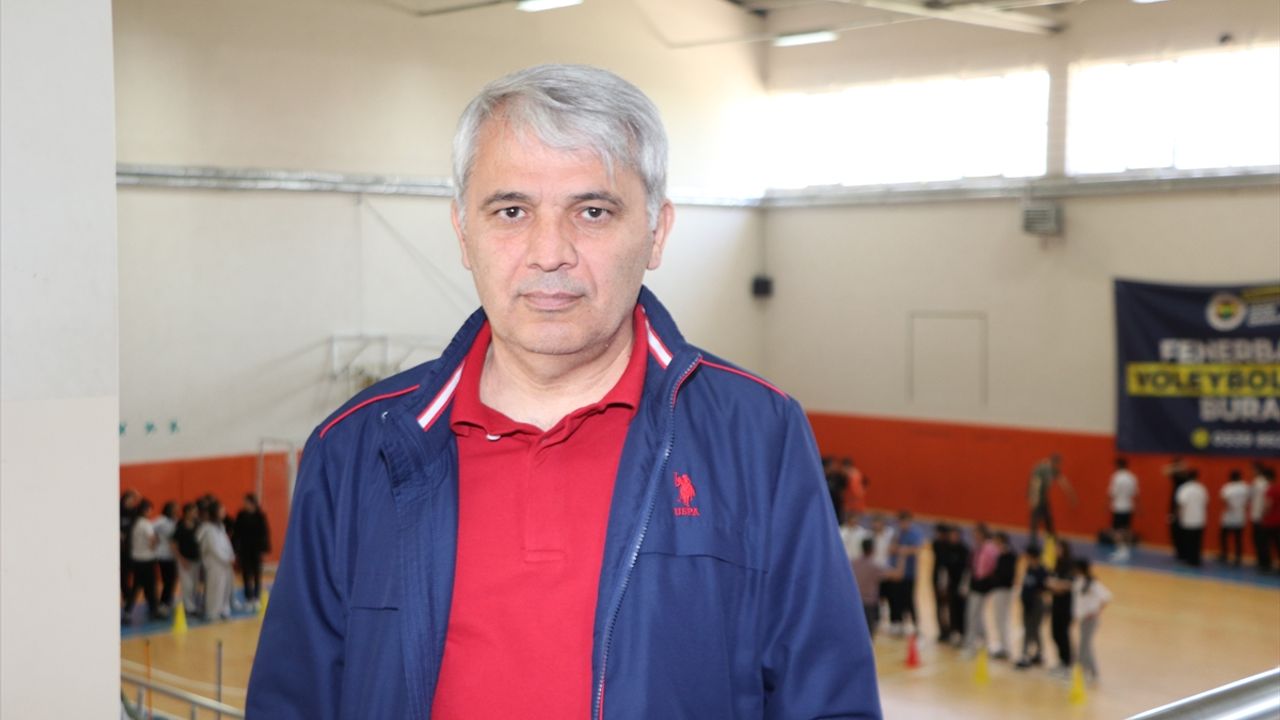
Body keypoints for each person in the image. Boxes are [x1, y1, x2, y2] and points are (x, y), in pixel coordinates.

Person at [248, 64, 881, 719]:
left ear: (657, 232)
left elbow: (828, 704)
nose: (549, 252)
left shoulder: (758, 436)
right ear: (463, 231)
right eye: (512, 211)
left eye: (592, 211)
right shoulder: (354, 449)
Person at [124, 499, 166, 622]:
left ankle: (151, 609)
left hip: (137, 559)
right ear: (146, 510)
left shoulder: (135, 522)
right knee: (147, 586)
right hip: (146, 560)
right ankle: (147, 610)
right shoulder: (146, 524)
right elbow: (152, 540)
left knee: (143, 586)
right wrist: (157, 542)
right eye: (150, 510)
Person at [852, 538, 902, 640]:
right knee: (868, 636)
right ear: (872, 549)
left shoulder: (853, 563)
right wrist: (902, 557)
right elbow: (897, 575)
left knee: (856, 634)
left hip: (855, 603)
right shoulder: (875, 566)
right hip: (869, 604)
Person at [1072, 558, 1112, 685]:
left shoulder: (1092, 583)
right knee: (1085, 646)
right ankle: (1090, 672)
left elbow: (1107, 597)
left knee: (1084, 646)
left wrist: (1095, 612)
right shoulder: (1079, 581)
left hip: (1090, 620)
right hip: (1083, 619)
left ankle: (1086, 672)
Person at [886, 510, 922, 637]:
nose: (903, 524)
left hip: (908, 574)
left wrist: (903, 550)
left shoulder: (915, 533)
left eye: (906, 521)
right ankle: (897, 623)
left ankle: (915, 625)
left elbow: (916, 549)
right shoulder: (897, 533)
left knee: (908, 599)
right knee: (895, 598)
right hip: (895, 572)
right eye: (901, 521)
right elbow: (891, 548)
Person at [963, 523, 997, 657]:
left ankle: (972, 644)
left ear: (982, 534)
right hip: (975, 584)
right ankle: (981, 641)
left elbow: (991, 567)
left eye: (976, 533)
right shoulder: (976, 547)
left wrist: (987, 581)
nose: (974, 536)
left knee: (973, 615)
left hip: (982, 585)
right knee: (975, 615)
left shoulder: (990, 548)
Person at [198, 501, 235, 622]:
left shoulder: (220, 526)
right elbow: (213, 548)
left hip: (225, 563)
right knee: (215, 588)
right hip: (214, 564)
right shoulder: (207, 529)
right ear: (215, 512)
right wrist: (226, 558)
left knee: (225, 588)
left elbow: (226, 543)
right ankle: (213, 613)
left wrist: (231, 556)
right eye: (221, 510)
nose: (224, 512)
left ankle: (223, 610)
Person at [1028, 454, 1076, 544]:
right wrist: (1034, 498)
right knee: (1035, 520)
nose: (1059, 466)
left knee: (1048, 519)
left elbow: (1063, 482)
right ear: (1053, 462)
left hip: (1044, 497)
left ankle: (1051, 540)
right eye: (1058, 463)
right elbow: (1035, 483)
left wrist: (1071, 496)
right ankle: (1033, 541)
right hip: (1037, 496)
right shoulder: (1041, 469)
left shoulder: (1054, 470)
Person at [1014, 545, 1048, 670]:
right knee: (1029, 629)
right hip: (1027, 603)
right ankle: (1038, 652)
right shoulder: (1029, 568)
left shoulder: (1042, 571)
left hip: (1036, 604)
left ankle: (1026, 655)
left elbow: (1044, 589)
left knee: (1032, 629)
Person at [234, 494, 271, 608]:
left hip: (256, 550)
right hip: (244, 549)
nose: (245, 505)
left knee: (256, 574)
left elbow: (265, 533)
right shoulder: (241, 515)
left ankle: (256, 596)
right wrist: (236, 548)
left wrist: (264, 549)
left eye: (247, 502)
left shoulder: (260, 516)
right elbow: (236, 532)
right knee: (246, 573)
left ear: (252, 503)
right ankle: (248, 597)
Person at [1045, 539, 1074, 679]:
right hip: (1056, 605)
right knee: (1054, 633)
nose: (1056, 551)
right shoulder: (1057, 564)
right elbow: (1049, 583)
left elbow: (1068, 585)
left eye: (1058, 548)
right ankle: (1061, 661)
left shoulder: (1069, 565)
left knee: (1063, 634)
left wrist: (1055, 585)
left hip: (1066, 606)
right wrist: (1055, 585)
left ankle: (1067, 664)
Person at [987, 532, 1017, 660]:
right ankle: (1001, 645)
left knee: (1003, 618)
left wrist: (995, 577)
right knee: (998, 618)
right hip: (999, 589)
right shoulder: (999, 555)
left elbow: (1007, 574)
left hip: (1004, 590)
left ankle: (1006, 647)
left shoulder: (1009, 555)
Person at [172, 502, 203, 617]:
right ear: (187, 513)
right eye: (194, 511)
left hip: (196, 560)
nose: (196, 513)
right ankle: (189, 607)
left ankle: (191, 604)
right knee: (187, 585)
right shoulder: (180, 526)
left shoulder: (198, 525)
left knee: (194, 584)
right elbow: (174, 544)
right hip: (184, 560)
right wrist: (181, 559)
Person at [941, 525, 970, 646]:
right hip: (951, 584)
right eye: (951, 535)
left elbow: (967, 570)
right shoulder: (947, 549)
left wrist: (965, 585)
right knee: (951, 609)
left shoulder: (964, 550)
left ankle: (963, 633)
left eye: (955, 535)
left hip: (961, 584)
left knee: (962, 610)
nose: (953, 537)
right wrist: (943, 583)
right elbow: (944, 568)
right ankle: (953, 632)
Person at [1174, 470, 1208, 567]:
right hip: (1200, 518)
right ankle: (1196, 559)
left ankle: (1189, 559)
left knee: (1188, 541)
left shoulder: (1184, 488)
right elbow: (1205, 502)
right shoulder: (1201, 488)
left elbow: (1180, 504)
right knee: (1197, 541)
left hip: (1188, 519)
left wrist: (1177, 516)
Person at [1108, 457, 1139, 561]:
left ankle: (1121, 550)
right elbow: (1135, 493)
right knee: (1126, 529)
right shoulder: (1132, 477)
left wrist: (1106, 505)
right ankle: (1126, 550)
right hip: (1128, 507)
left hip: (1118, 507)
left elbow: (1112, 493)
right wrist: (1138, 507)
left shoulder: (1116, 477)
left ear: (1118, 465)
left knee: (1116, 530)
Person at [1163, 457, 1195, 559]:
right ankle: (1179, 551)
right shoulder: (1176, 475)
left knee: (1184, 529)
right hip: (1175, 503)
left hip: (1185, 504)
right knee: (1174, 528)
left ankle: (1185, 551)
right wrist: (1177, 466)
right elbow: (1165, 471)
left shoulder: (1186, 477)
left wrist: (1182, 467)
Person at [1219, 470, 1250, 566]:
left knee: (1223, 536)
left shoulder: (1228, 487)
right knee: (1238, 538)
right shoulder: (1245, 487)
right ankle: (1238, 557)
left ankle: (1224, 554)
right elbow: (1248, 500)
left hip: (1229, 515)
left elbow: (1224, 499)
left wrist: (1230, 505)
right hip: (1240, 515)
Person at [154, 501, 179, 612]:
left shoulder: (175, 521)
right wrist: (155, 539)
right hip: (163, 555)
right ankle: (163, 603)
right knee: (167, 580)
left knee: (172, 580)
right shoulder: (161, 520)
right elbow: (149, 528)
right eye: (174, 508)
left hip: (173, 555)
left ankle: (168, 599)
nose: (177, 510)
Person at [1250, 463, 1274, 572]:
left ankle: (1263, 563)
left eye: (1253, 470)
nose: (1252, 472)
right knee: (1263, 542)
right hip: (1261, 515)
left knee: (1261, 541)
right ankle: (1264, 562)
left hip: (1259, 516)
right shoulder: (1265, 483)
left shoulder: (1258, 483)